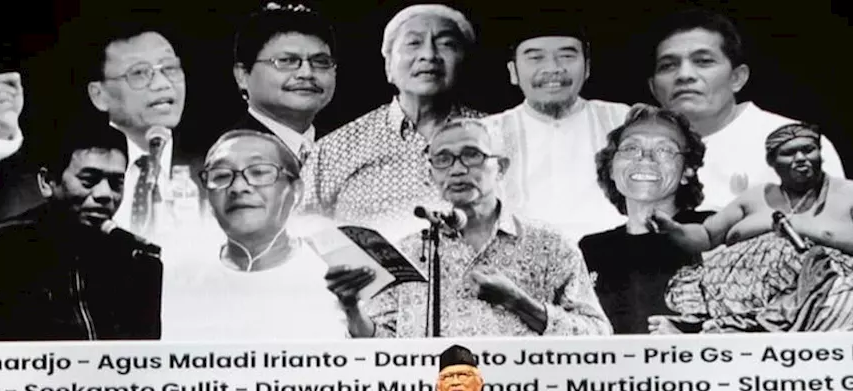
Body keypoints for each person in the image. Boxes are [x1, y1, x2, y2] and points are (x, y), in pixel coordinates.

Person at [344, 118, 612, 337]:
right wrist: (352, 308)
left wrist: (519, 302)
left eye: (471, 155)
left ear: (501, 168)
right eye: (442, 159)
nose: (457, 170)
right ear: (430, 176)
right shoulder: (407, 252)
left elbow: (597, 335)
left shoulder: (550, 245)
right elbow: (383, 348)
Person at [648, 123, 853, 332]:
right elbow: (705, 237)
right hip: (743, 302)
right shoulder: (755, 198)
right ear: (773, 162)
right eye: (789, 152)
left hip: (834, 300)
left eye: (809, 150)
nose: (801, 158)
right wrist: (672, 227)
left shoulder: (851, 194)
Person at [0, 13, 205, 239]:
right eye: (139, 73)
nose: (162, 84)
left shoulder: (218, 174)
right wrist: (3, 131)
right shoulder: (39, 184)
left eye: (170, 68)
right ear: (99, 94)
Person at [0, 122, 163, 341]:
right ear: (47, 182)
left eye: (116, 183)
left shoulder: (136, 258)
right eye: (89, 180)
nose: (105, 194)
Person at [159, 129, 372, 340]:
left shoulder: (339, 271)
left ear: (296, 192)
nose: (238, 187)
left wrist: (353, 311)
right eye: (221, 176)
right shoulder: (176, 277)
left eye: (259, 172)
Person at [301, 4, 484, 230]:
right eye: (413, 43)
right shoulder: (333, 150)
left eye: (446, 44)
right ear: (389, 66)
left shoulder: (500, 137)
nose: (429, 55)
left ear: (463, 63)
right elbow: (299, 233)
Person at [645, 8, 846, 212]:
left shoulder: (793, 142)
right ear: (653, 89)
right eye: (668, 66)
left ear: (737, 78)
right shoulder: (634, 154)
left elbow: (831, 230)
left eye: (703, 62)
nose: (684, 75)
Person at [483, 15, 630, 241]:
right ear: (513, 72)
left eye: (566, 56)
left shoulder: (623, 120)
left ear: (587, 67)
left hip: (616, 258)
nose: (553, 68)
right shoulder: (485, 134)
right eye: (536, 58)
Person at [578, 104, 711, 334]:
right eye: (631, 148)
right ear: (611, 168)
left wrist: (693, 344)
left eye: (664, 150)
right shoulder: (591, 250)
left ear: (687, 171)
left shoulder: (712, 232)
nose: (645, 158)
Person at [227, 1, 338, 162]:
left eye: (320, 62)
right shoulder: (228, 153)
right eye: (286, 61)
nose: (306, 73)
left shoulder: (345, 149)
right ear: (242, 76)